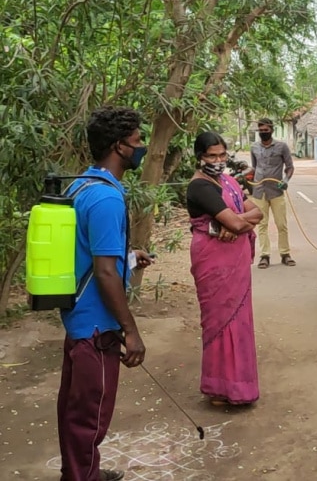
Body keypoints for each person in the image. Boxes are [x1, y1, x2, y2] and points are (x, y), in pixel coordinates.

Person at [57, 106, 153, 481]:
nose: (142, 146)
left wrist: (128, 257)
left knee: (75, 408)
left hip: (78, 318)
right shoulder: (107, 199)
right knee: (90, 416)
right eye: (138, 140)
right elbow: (104, 271)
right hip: (96, 329)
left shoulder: (82, 184)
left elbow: (91, 252)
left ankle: (81, 473)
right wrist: (131, 330)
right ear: (120, 146)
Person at [186, 131, 263, 406]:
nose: (218, 160)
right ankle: (219, 389)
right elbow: (242, 222)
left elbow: (257, 212)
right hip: (214, 261)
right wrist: (234, 224)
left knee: (239, 319)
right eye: (211, 155)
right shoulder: (201, 187)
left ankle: (240, 388)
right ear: (199, 157)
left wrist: (231, 223)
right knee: (219, 321)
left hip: (234, 258)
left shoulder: (228, 181)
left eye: (222, 155)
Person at [250, 118, 295, 269]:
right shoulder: (254, 147)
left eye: (266, 130)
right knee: (262, 224)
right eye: (261, 131)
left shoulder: (282, 147)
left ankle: (285, 254)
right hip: (259, 191)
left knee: (281, 224)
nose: (263, 133)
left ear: (271, 130)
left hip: (276, 191)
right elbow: (254, 168)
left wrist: (286, 179)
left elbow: (290, 167)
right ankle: (264, 255)